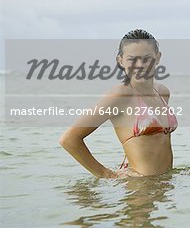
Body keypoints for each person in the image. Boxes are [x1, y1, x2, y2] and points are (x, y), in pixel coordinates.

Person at [60, 29, 177, 178]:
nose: (140, 65)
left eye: (147, 58)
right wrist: (106, 174)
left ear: (158, 57)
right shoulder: (121, 95)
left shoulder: (162, 92)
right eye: (132, 59)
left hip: (165, 186)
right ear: (120, 61)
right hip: (140, 190)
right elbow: (69, 139)